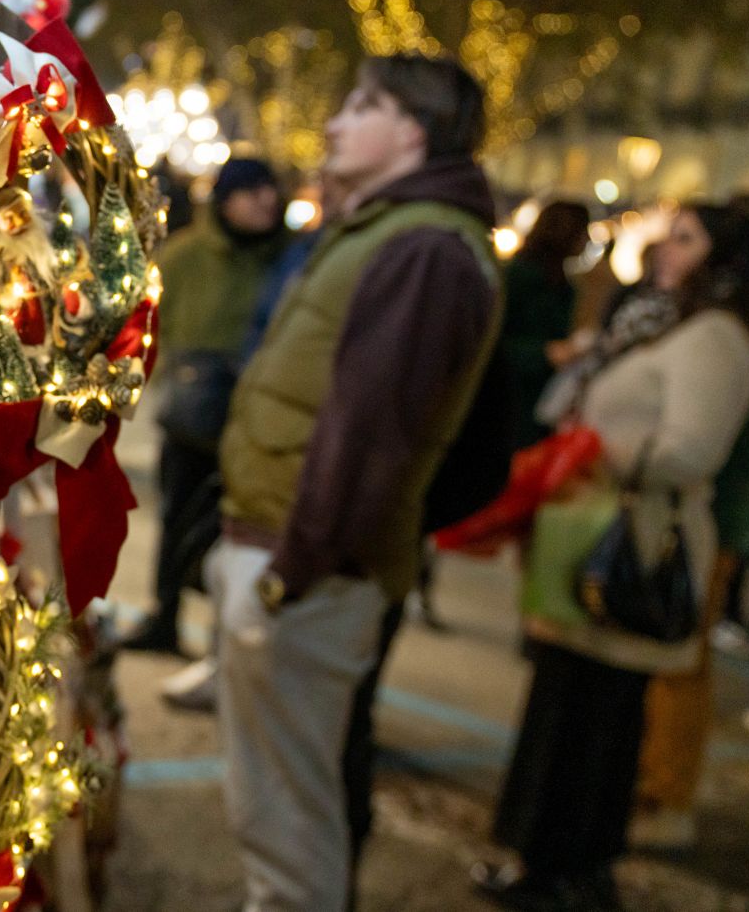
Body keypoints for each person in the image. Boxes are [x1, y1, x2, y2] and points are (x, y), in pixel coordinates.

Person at [207, 54, 501, 912]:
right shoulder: (391, 232)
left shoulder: (426, 249)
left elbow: (369, 438)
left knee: (289, 818)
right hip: (290, 558)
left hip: (308, 573)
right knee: (276, 806)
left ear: (413, 129)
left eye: (361, 105)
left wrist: (288, 574)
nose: (334, 123)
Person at [478, 204, 749, 911]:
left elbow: (692, 448)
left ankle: (571, 867)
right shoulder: (658, 318)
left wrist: (597, 451)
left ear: (724, 260)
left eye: (688, 237)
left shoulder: (716, 337)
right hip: (590, 520)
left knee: (597, 716)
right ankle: (540, 858)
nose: (668, 245)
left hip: (632, 538)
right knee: (564, 701)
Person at [628, 194, 749, 849]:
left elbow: (717, 434)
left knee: (677, 658)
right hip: (709, 506)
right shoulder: (732, 315)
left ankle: (665, 796)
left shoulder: (742, 322)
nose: (669, 249)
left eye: (686, 238)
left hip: (707, 508)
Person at [122, 157, 293, 654]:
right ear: (225, 199)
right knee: (179, 514)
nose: (266, 201)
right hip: (195, 412)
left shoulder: (291, 258)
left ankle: (228, 640)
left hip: (260, 419)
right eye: (252, 192)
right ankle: (165, 615)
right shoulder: (186, 255)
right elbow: (152, 323)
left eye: (270, 191)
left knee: (244, 530)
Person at [501, 199, 591, 451]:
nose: (586, 240)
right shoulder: (519, 277)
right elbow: (492, 344)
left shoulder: (563, 284)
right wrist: (544, 352)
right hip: (507, 397)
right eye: (584, 231)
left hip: (538, 400)